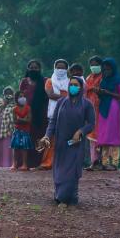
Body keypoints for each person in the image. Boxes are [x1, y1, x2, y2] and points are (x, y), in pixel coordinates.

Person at [39, 76, 96, 206]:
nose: (73, 87)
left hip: (75, 143)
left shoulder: (87, 104)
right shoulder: (61, 102)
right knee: (59, 171)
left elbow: (91, 124)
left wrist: (80, 131)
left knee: (71, 172)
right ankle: (64, 195)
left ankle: (65, 198)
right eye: (71, 84)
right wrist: (47, 136)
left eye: (76, 85)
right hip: (60, 143)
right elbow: (53, 121)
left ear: (81, 87)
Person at [95, 58, 120, 171]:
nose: (106, 71)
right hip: (103, 108)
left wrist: (108, 92)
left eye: (109, 69)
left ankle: (114, 163)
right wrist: (99, 92)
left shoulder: (118, 80)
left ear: (113, 69)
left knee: (113, 134)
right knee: (104, 135)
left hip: (113, 108)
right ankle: (104, 162)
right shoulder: (103, 80)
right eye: (104, 69)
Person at [40, 59, 70, 169]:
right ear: (54, 68)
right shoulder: (49, 81)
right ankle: (48, 162)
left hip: (67, 113)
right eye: (58, 67)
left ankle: (63, 163)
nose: (60, 70)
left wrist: (64, 97)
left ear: (67, 69)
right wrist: (66, 97)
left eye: (63, 68)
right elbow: (50, 94)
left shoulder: (70, 81)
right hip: (53, 113)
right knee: (51, 138)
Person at [20, 60, 48, 169]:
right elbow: (20, 97)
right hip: (26, 115)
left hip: (40, 114)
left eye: (36, 67)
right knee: (27, 138)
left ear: (40, 69)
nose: (33, 69)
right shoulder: (24, 81)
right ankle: (25, 163)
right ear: (28, 69)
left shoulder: (44, 81)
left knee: (39, 137)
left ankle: (39, 163)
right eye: (31, 67)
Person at [84, 56, 103, 170]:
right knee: (91, 136)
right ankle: (94, 161)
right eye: (91, 64)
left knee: (101, 135)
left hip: (101, 109)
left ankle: (102, 161)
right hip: (90, 108)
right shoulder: (88, 78)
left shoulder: (103, 77)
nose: (93, 66)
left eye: (96, 64)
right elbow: (85, 92)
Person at [10, 91, 33, 171]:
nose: (22, 98)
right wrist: (24, 119)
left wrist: (20, 119)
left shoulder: (28, 108)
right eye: (20, 96)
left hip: (25, 131)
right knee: (15, 147)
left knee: (24, 148)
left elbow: (29, 120)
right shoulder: (14, 109)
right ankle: (14, 163)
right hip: (17, 130)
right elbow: (15, 120)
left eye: (23, 96)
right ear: (16, 98)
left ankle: (24, 164)